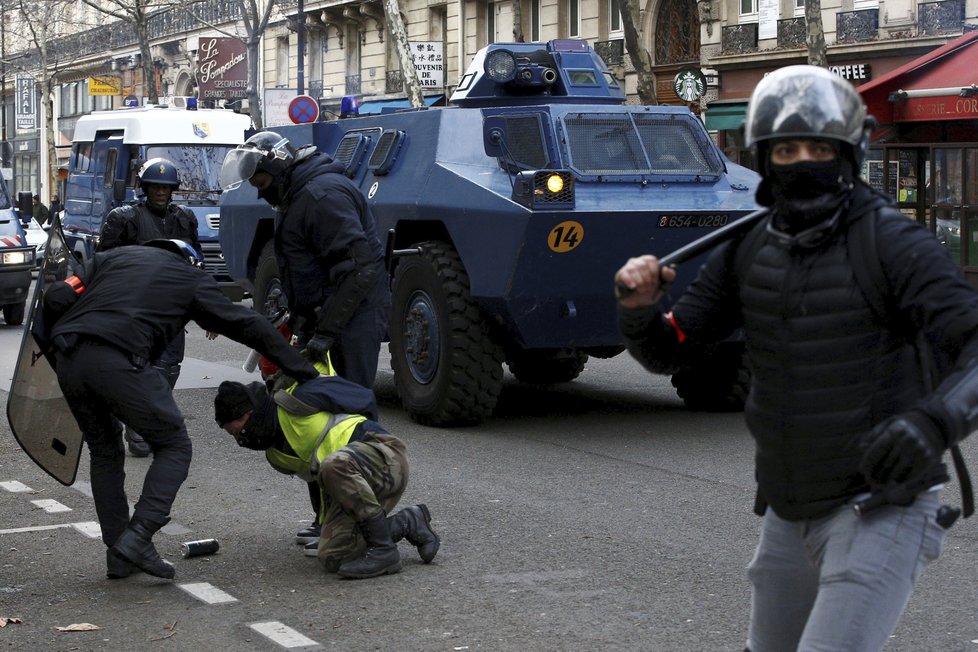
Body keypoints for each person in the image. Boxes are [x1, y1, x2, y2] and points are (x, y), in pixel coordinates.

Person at [613, 65, 978, 652]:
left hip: (884, 503)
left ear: (848, 153)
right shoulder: (748, 247)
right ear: (763, 156)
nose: (803, 160)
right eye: (786, 148)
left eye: (818, 147)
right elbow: (672, 351)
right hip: (790, 507)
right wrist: (640, 310)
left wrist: (932, 422)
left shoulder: (890, 242)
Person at [42, 239, 319, 581]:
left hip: (69, 360)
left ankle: (119, 555)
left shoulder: (109, 259)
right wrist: (305, 372)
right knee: (174, 444)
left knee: (104, 451)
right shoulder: (188, 277)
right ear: (189, 261)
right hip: (120, 359)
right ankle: (139, 536)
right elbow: (249, 326)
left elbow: (56, 297)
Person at [220, 131, 391, 554]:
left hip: (348, 321)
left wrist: (326, 334)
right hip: (326, 322)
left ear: (277, 169)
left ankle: (362, 525)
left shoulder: (319, 195)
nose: (261, 195)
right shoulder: (297, 194)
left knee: (343, 422)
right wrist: (301, 322)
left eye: (260, 183)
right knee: (315, 422)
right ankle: (329, 520)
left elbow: (359, 270)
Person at [213, 367, 440, 579]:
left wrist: (370, 436)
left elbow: (364, 398)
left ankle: (384, 550)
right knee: (332, 556)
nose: (240, 440)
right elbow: (317, 479)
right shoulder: (275, 456)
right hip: (353, 483)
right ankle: (408, 522)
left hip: (385, 456)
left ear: (249, 413)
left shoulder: (296, 399)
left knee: (333, 465)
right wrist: (324, 526)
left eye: (238, 431)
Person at [98, 157, 202, 458]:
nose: (160, 192)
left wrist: (207, 311)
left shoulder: (185, 218)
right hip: (134, 308)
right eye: (155, 186)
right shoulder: (124, 217)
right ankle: (135, 422)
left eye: (165, 187)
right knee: (137, 367)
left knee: (168, 369)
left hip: (171, 308)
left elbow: (195, 263)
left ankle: (149, 420)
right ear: (145, 188)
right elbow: (103, 262)